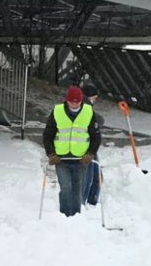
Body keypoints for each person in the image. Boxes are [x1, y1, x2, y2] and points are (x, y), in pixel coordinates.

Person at [42, 85, 102, 217]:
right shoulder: (57, 111)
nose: (74, 105)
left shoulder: (88, 112)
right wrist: (51, 153)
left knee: (77, 190)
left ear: (81, 100)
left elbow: (96, 137)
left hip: (80, 159)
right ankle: (64, 216)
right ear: (66, 100)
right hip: (61, 159)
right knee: (66, 188)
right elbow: (47, 135)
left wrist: (90, 154)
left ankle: (75, 218)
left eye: (77, 102)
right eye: (71, 102)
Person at [81, 83, 103, 208]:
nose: (95, 100)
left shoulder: (85, 105)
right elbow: (98, 120)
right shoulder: (84, 106)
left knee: (95, 175)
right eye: (95, 97)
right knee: (89, 177)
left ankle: (90, 202)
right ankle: (85, 203)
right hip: (85, 146)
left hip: (89, 145)